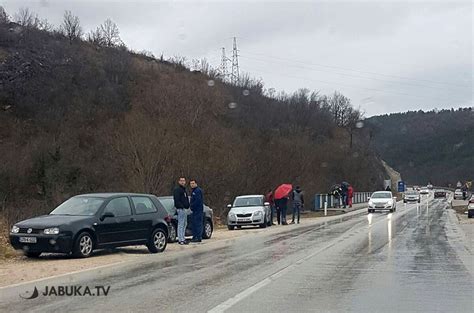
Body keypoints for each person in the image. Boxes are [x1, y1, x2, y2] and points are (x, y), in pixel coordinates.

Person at [173, 177, 190, 245]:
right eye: (181, 181)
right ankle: (180, 239)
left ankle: (183, 238)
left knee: (185, 223)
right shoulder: (177, 190)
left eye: (184, 181)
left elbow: (186, 199)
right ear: (179, 182)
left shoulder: (184, 190)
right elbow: (177, 200)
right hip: (180, 209)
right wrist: (181, 206)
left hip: (185, 209)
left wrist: (187, 205)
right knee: (181, 224)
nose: (183, 182)